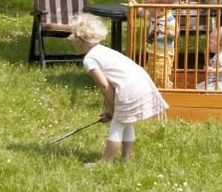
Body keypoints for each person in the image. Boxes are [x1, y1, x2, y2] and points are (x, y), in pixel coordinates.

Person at [69, 13, 168, 163]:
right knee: (126, 122)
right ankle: (126, 159)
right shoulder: (103, 50)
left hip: (130, 89)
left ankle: (105, 162)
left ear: (79, 40)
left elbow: (104, 85)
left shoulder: (89, 59)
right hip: (142, 82)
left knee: (117, 124)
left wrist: (112, 109)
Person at [144, 0, 176, 89]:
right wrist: (136, 5)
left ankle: (167, 90)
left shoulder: (169, 19)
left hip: (164, 53)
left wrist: (165, 32)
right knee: (152, 72)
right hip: (153, 51)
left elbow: (175, 34)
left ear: (162, 9)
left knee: (161, 74)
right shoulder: (154, 15)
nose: (149, 10)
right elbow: (142, 13)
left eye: (151, 8)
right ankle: (157, 90)